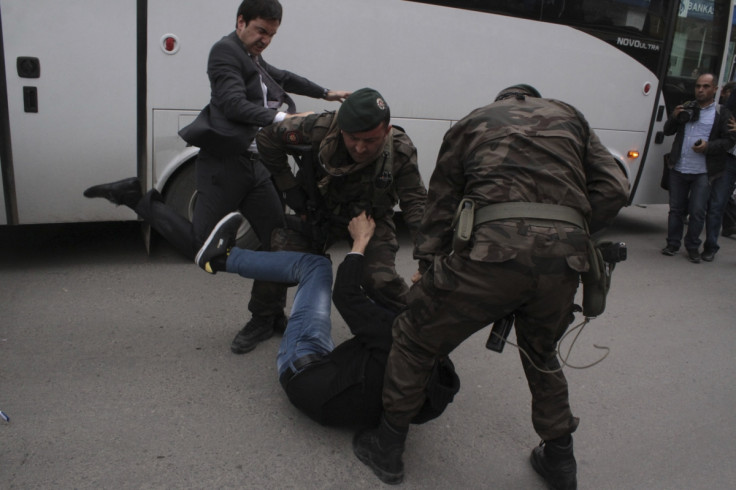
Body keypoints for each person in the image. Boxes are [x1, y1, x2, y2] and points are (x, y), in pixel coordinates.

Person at [351, 84, 629, 488]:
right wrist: (565, 234)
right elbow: (615, 189)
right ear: (534, 99)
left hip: (488, 258)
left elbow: (441, 206)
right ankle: (560, 461)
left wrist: (430, 268)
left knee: (415, 335)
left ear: (503, 101)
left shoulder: (474, 121)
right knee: (541, 353)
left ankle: (388, 447)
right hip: (563, 262)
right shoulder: (571, 117)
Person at [82, 0, 349, 350]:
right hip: (223, 164)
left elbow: (281, 77)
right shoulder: (224, 52)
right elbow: (232, 103)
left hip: (256, 165)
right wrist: (288, 121)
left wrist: (325, 92)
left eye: (271, 34)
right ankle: (137, 198)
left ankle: (265, 317)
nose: (265, 40)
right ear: (241, 22)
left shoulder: (253, 56)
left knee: (275, 241)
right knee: (200, 247)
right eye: (260, 31)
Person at [194, 210, 459, 427]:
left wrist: (360, 241)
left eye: (423, 277)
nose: (414, 277)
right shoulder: (438, 356)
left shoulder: (397, 332)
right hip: (339, 396)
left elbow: (346, 295)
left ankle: (222, 258)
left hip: (302, 368)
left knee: (316, 267)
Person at [236, 88, 427, 353]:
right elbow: (267, 138)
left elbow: (416, 204)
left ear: (386, 130)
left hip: (369, 219)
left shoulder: (400, 150)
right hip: (318, 212)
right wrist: (291, 189)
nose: (360, 147)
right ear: (342, 130)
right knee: (279, 256)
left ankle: (416, 323)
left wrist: (428, 258)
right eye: (353, 139)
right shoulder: (320, 128)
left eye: (370, 140)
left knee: (379, 279)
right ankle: (265, 318)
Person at [661, 73, 735, 263]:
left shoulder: (721, 113)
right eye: (698, 86)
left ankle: (693, 246)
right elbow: (667, 130)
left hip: (703, 171)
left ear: (715, 89)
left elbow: (729, 140)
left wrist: (708, 147)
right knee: (676, 209)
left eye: (705, 86)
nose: (700, 90)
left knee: (697, 211)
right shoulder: (687, 107)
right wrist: (675, 117)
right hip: (679, 166)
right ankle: (672, 244)